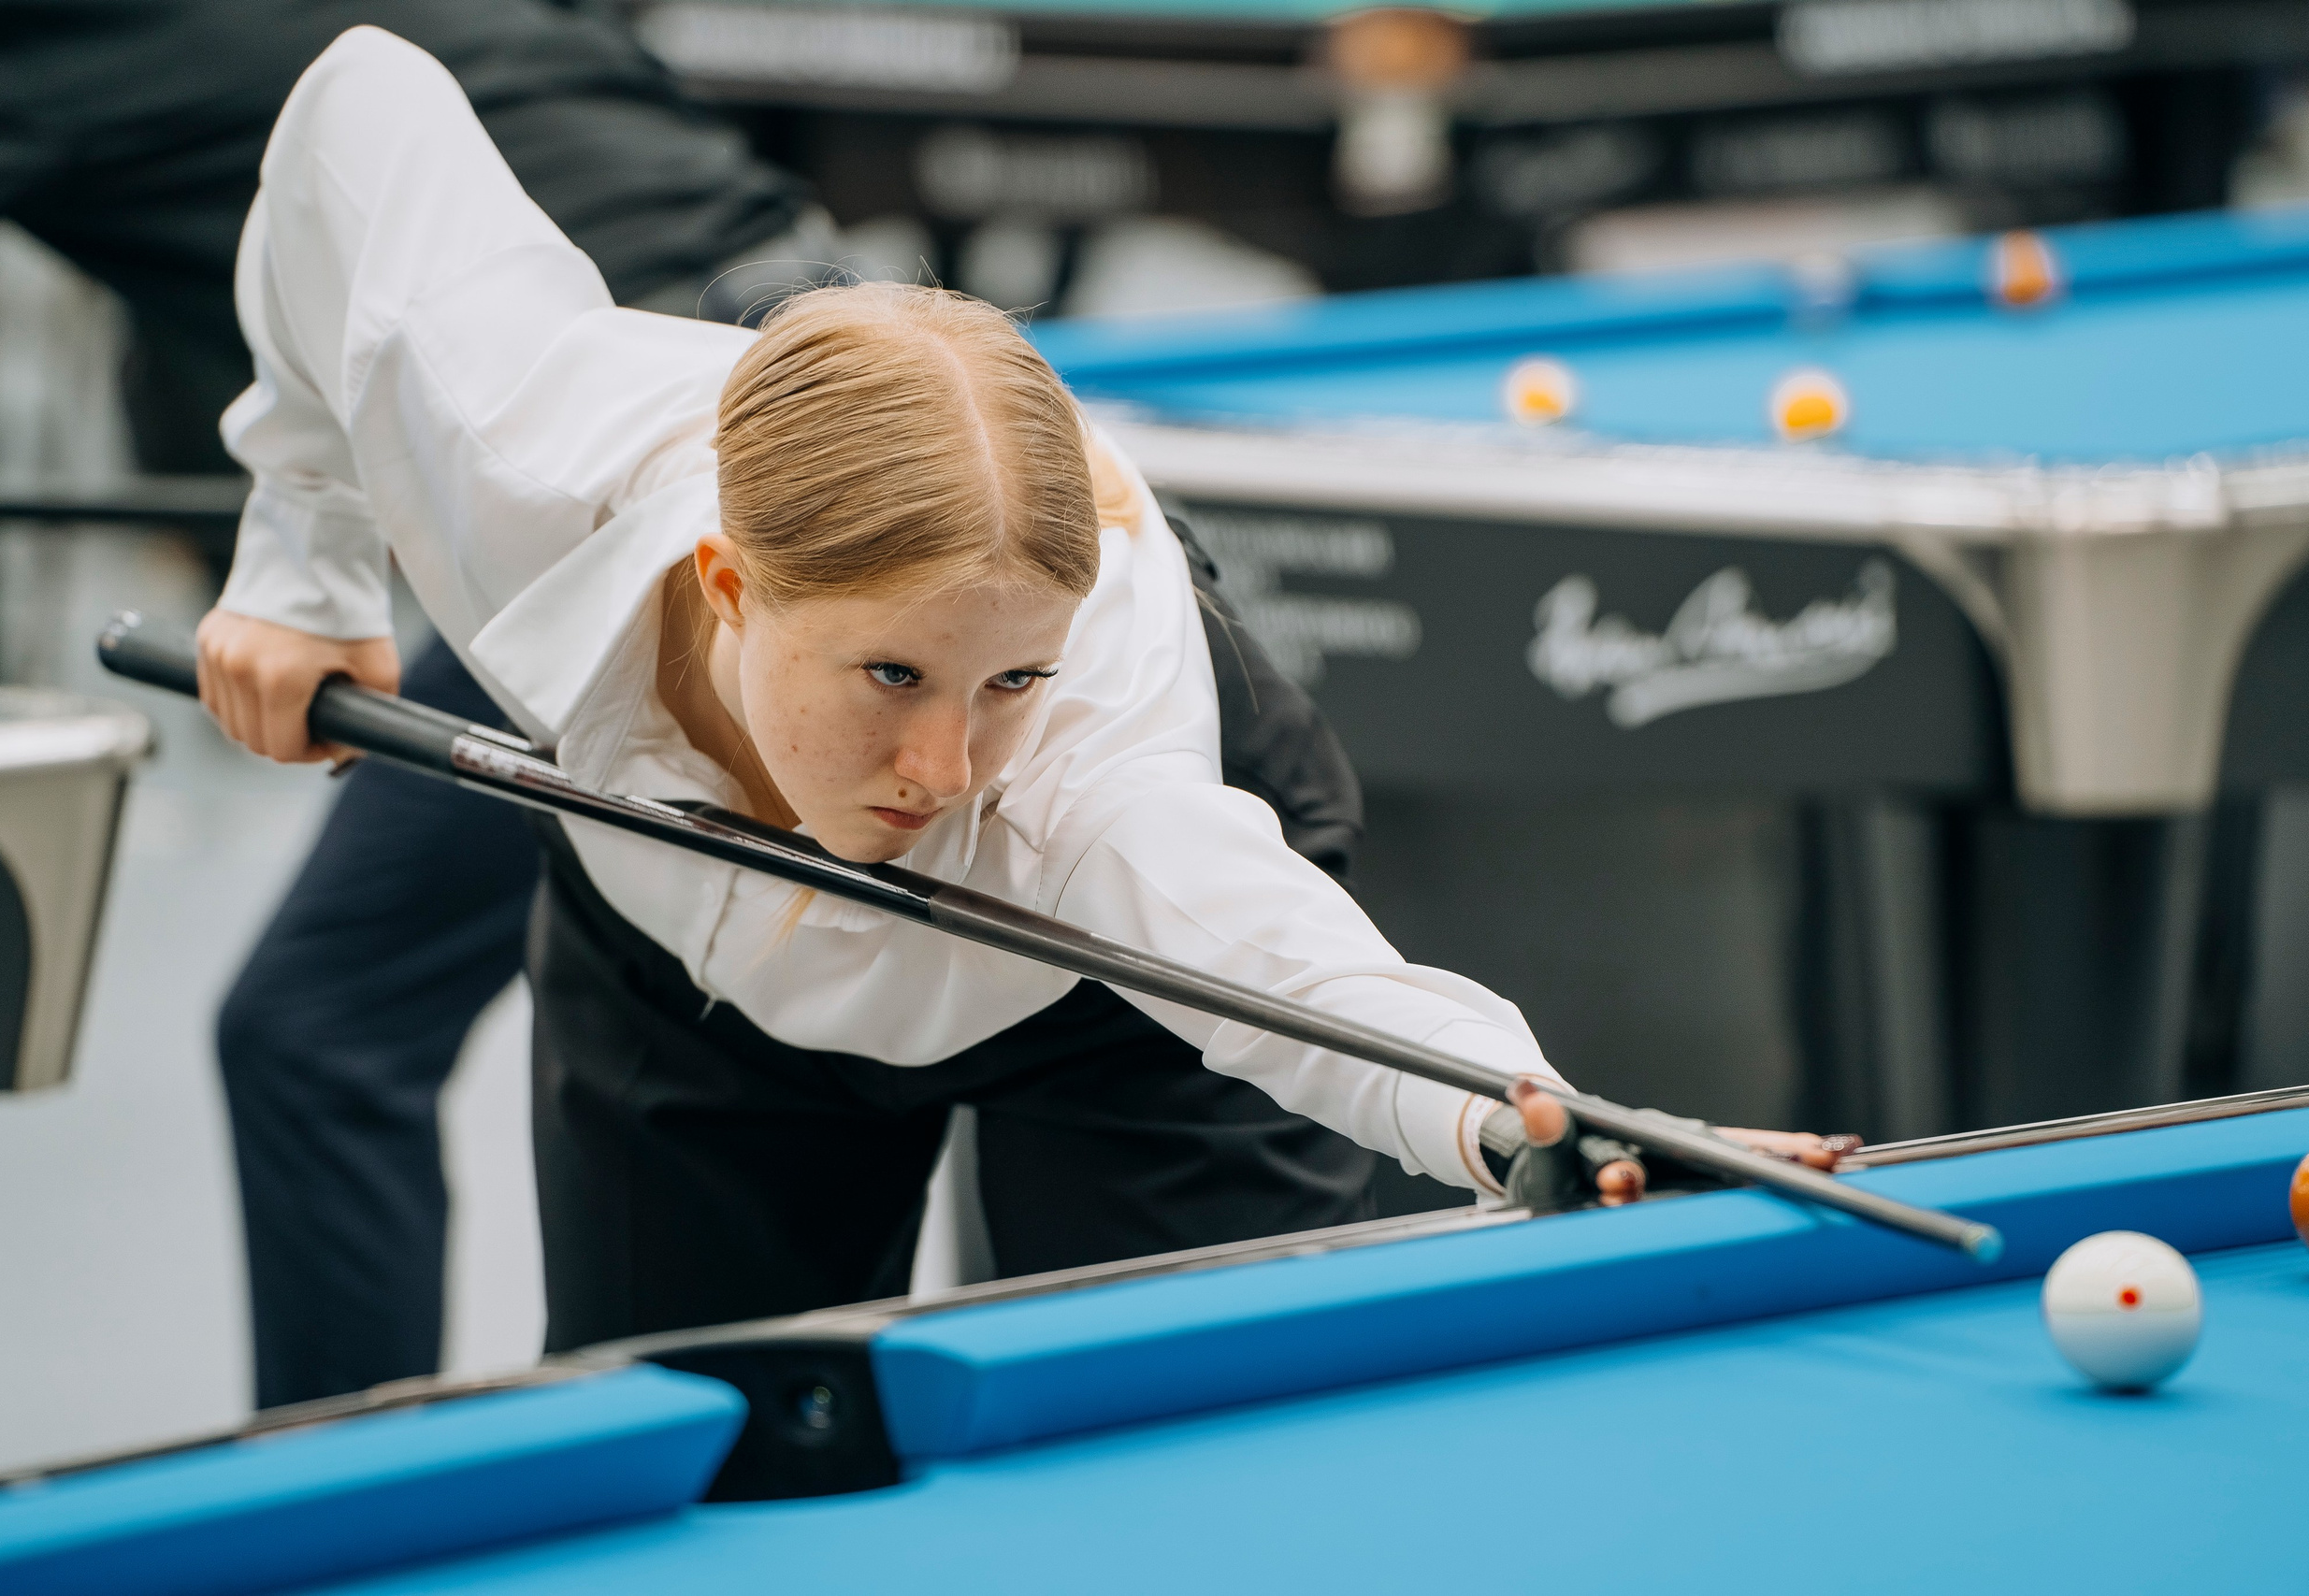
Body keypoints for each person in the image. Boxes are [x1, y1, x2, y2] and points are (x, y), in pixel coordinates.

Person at [197, 28, 1847, 1349]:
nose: (947, 763)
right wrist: (303, 560)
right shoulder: (519, 462)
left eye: (1008, 680)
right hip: (681, 970)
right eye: (893, 674)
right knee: (708, 1463)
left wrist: (1537, 1127)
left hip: (1109, 1018)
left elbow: (1301, 981)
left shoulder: (1078, 777)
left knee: (1191, 1468)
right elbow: (362, 101)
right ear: (728, 587)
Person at [0, 0, 834, 1405]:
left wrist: (310, 556)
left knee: (319, 1034)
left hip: (657, 497)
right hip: (846, 386)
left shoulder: (4, 33)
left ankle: (344, 1511)